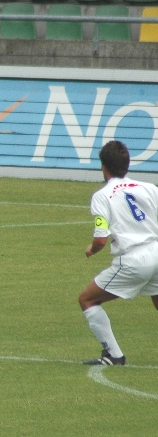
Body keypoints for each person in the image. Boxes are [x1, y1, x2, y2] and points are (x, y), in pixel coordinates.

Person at [79, 140, 158, 366]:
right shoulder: (149, 188)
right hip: (156, 251)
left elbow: (100, 239)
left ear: (104, 167)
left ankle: (114, 355)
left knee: (87, 299)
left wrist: (91, 250)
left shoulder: (102, 196)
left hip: (134, 259)